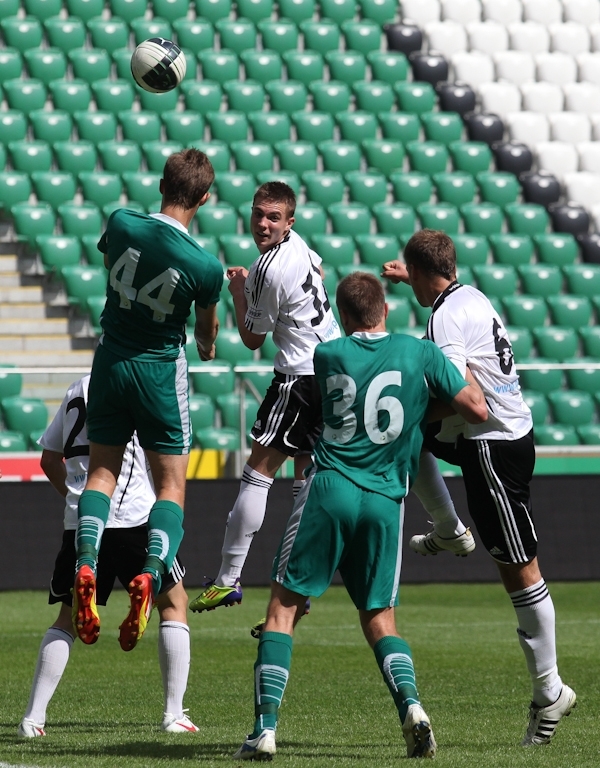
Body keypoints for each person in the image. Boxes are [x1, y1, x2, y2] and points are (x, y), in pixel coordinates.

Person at [233, 272, 488, 760]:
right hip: (386, 499)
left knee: (282, 610)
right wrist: (418, 405)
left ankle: (264, 729)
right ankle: (411, 706)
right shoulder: (422, 354)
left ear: (344, 317)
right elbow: (473, 409)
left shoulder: (327, 355)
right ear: (387, 310)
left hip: (330, 489)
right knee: (380, 617)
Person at [382, 229, 577, 747]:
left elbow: (469, 399)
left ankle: (549, 691)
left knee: (520, 572)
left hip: (491, 444)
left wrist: (416, 407)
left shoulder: (445, 315)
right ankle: (448, 529)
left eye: (411, 274)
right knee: (411, 439)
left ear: (424, 274)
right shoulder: (467, 295)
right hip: (503, 435)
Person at [73, 148, 223, 652]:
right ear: (204, 198)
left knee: (101, 474)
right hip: (160, 373)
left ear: (161, 184)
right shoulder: (206, 266)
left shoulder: (120, 223)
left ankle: (87, 561)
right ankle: (152, 572)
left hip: (111, 362)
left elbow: (112, 260)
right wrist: (207, 340)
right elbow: (205, 333)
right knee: (171, 487)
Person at [18, 376, 198, 738]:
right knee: (174, 602)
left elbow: (49, 458)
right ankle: (173, 714)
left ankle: (33, 719)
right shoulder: (136, 384)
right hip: (134, 518)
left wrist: (76, 503)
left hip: (83, 518)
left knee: (66, 617)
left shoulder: (77, 388)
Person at [190, 181, 340, 613]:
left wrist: (239, 291)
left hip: (299, 377)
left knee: (258, 472)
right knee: (306, 480)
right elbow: (319, 275)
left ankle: (228, 577)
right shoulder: (301, 246)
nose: (263, 223)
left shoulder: (267, 269)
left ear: (289, 221)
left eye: (273, 217)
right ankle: (299, 585)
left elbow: (253, 339)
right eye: (259, 214)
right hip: (331, 370)